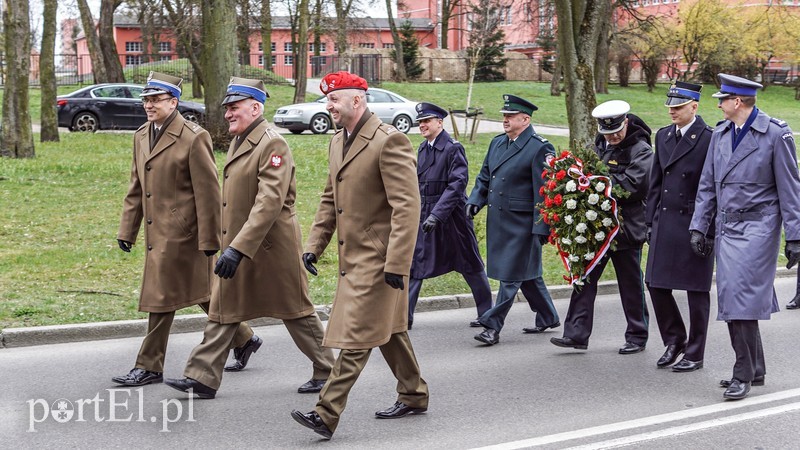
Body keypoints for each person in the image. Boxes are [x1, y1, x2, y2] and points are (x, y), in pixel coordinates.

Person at [164, 77, 334, 399]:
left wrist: (237, 249)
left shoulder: (272, 144)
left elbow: (268, 202)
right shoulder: (242, 139)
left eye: (234, 107)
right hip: (243, 246)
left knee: (296, 312)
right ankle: (201, 377)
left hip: (272, 249)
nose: (228, 114)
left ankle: (328, 370)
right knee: (222, 309)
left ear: (255, 108)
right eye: (227, 108)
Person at [291, 71, 429, 440]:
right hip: (351, 258)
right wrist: (313, 246)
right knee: (390, 331)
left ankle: (326, 411)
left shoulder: (390, 141)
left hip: (380, 259)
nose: (328, 106)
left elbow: (407, 207)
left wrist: (397, 264)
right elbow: (328, 199)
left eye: (334, 100)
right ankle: (414, 393)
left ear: (358, 101)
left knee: (357, 336)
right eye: (327, 100)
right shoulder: (337, 141)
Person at [114, 72, 260, 387]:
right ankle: (244, 338)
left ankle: (149, 366)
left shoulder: (194, 137)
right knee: (202, 293)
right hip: (157, 234)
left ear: (174, 102)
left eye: (155, 100)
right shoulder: (141, 135)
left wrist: (211, 239)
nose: (148, 105)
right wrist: (128, 230)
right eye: (146, 100)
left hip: (186, 234)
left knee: (160, 296)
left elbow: (209, 193)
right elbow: (136, 187)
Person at [690, 73, 800, 400]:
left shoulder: (775, 135)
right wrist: (699, 225)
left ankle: (742, 373)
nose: (719, 105)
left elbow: (790, 190)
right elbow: (708, 184)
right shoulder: (721, 134)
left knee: (738, 298)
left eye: (722, 100)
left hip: (758, 228)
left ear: (737, 102)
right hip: (727, 227)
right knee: (735, 297)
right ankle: (757, 368)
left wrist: (795, 236)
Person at [551, 100, 652, 354]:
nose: (614, 136)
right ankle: (575, 334)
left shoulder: (641, 149)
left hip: (626, 228)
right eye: (608, 132)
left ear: (626, 122)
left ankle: (637, 335)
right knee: (584, 278)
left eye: (617, 130)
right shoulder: (598, 145)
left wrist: (597, 182)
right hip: (596, 227)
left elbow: (634, 186)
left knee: (631, 284)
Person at [466, 94, 560, 346]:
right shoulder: (497, 143)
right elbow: (485, 176)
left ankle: (491, 326)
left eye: (510, 117)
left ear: (525, 119)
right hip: (499, 220)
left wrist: (543, 227)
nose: (505, 120)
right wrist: (475, 200)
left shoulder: (540, 147)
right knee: (527, 275)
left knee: (510, 277)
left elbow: (545, 190)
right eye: (504, 116)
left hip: (523, 225)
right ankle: (548, 316)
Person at [645, 82, 714, 372]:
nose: (672, 111)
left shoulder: (709, 138)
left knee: (696, 290)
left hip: (694, 222)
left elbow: (712, 187)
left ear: (694, 107)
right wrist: (650, 221)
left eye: (678, 107)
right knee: (655, 283)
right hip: (665, 221)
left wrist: (706, 228)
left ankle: (695, 353)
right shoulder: (662, 136)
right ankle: (674, 340)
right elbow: (655, 183)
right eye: (670, 107)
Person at [407, 102, 493, 329]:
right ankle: (404, 317)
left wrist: (437, 214)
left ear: (439, 122)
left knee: (470, 263)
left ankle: (487, 314)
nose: (422, 126)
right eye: (420, 122)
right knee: (416, 264)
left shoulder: (453, 148)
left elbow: (457, 185)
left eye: (426, 121)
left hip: (453, 217)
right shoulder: (423, 148)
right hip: (427, 215)